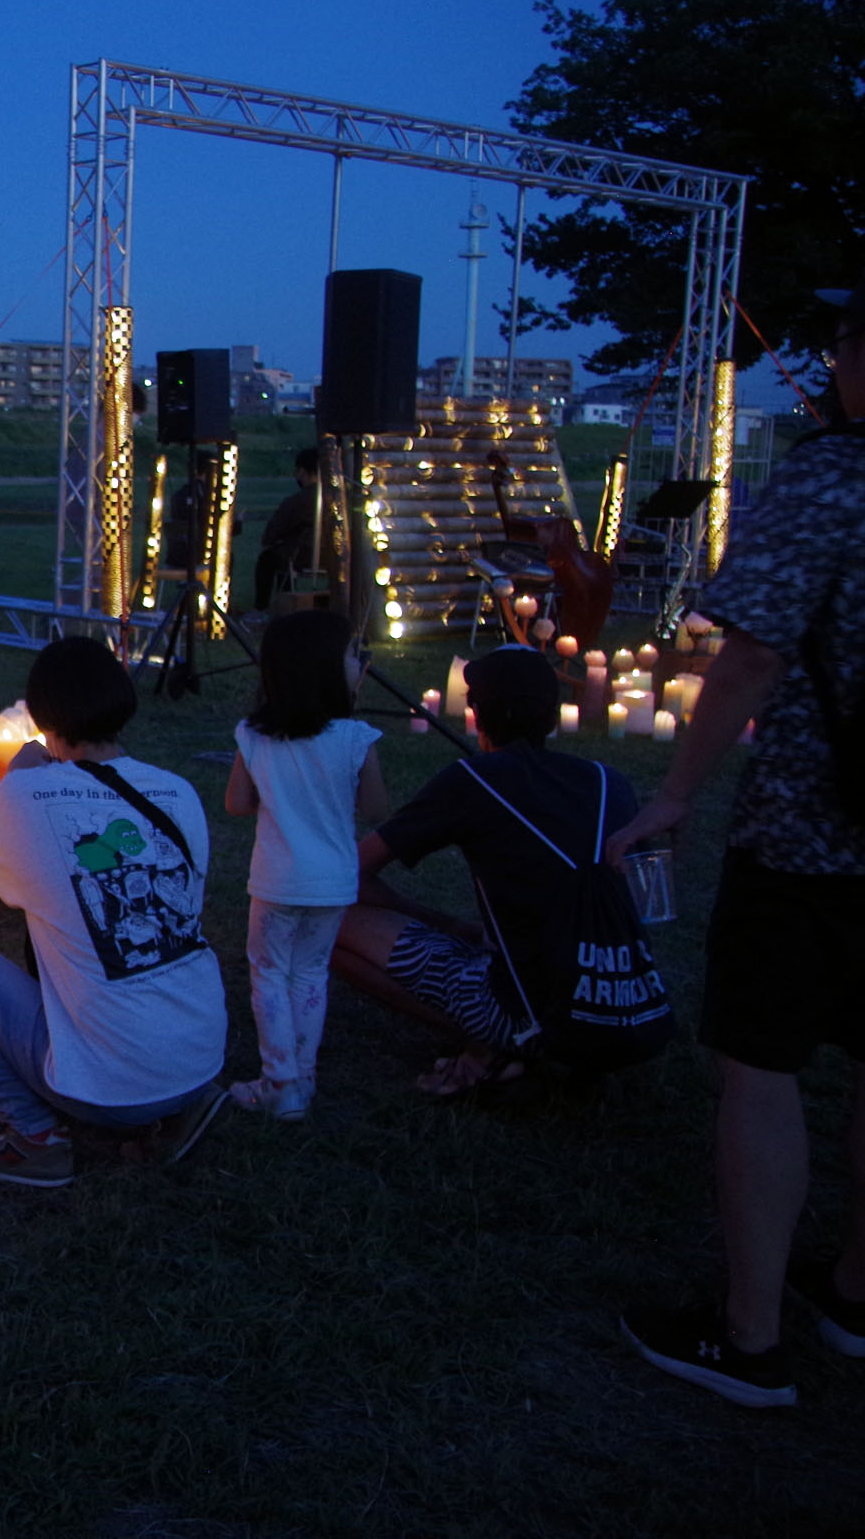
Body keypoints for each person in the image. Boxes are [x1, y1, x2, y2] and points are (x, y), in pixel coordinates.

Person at [614, 279, 865, 1409]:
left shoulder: (832, 478)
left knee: (759, 1068)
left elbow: (751, 654)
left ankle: (749, 1336)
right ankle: (856, 1296)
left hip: (815, 835)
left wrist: (676, 790)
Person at [0, 635, 229, 1188]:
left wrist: (19, 777)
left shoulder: (25, 795)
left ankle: (33, 1138)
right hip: (204, 1059)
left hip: (114, 1091)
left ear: (42, 715)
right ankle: (174, 1107)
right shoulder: (179, 791)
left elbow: (10, 888)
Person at [333, 644, 664, 1096]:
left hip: (532, 1011)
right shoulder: (611, 782)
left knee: (326, 921)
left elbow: (346, 877)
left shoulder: (476, 780)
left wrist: (446, 924)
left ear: (478, 713)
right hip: (628, 1004)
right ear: (551, 717)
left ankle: (496, 1044)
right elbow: (647, 900)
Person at [222, 610, 385, 1118]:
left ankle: (280, 1082)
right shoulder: (357, 738)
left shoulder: (254, 735)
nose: (359, 663)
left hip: (276, 882)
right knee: (311, 974)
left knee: (269, 974)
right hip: (333, 883)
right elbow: (377, 808)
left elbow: (236, 803)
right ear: (326, 671)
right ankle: (303, 1075)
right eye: (351, 657)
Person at [253, 447, 327, 610]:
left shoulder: (297, 501)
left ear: (302, 471)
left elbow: (271, 534)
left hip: (301, 556)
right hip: (330, 558)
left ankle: (262, 608)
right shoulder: (335, 500)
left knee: (269, 559)